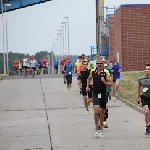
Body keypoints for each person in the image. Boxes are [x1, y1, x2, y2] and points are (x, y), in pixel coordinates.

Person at [87, 58, 112, 138]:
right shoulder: (92, 71)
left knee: (102, 111)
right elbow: (89, 78)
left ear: (103, 64)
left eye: (100, 63)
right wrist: (88, 86)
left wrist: (104, 82)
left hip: (103, 93)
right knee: (96, 110)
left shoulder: (106, 72)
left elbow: (110, 84)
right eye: (97, 63)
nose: (99, 65)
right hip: (95, 93)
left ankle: (101, 128)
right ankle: (96, 127)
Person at [137, 63, 150, 135]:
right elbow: (139, 87)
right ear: (144, 70)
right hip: (144, 97)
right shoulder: (141, 79)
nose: (147, 70)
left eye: (149, 69)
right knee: (147, 111)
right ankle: (147, 126)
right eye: (146, 69)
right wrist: (138, 97)